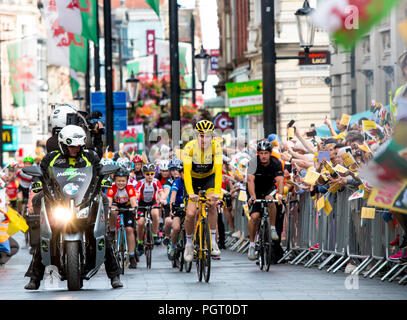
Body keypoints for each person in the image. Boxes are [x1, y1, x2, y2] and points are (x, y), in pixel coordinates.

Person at [24, 125, 123, 290]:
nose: (75, 149)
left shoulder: (90, 157)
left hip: (84, 201)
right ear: (63, 144)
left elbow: (99, 173)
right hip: (58, 203)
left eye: (78, 146)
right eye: (71, 146)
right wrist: (38, 184)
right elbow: (41, 177)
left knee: (102, 235)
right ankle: (35, 278)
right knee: (46, 236)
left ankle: (114, 276)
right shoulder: (51, 158)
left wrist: (104, 179)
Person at [182, 120, 223, 262]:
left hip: (209, 179)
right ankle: (188, 243)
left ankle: (212, 240)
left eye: (207, 135)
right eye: (201, 135)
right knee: (191, 214)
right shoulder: (189, 147)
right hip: (193, 181)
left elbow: (218, 172)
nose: (204, 139)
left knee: (212, 204)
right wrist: (191, 193)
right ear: (196, 136)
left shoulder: (216, 147)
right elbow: (186, 173)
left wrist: (217, 192)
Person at [247, 140, 284, 261]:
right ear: (258, 154)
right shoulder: (253, 162)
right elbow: (250, 181)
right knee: (254, 217)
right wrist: (252, 196)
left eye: (266, 153)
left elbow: (280, 181)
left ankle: (272, 228)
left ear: (270, 153)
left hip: (269, 189)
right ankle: (252, 245)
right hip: (255, 190)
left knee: (270, 200)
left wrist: (280, 194)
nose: (263, 156)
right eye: (261, 153)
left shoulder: (276, 162)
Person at [107, 168, 138, 269]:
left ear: (127, 180)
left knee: (129, 229)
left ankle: (132, 256)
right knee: (113, 211)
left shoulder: (130, 188)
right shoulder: (112, 188)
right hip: (116, 206)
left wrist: (135, 208)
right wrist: (108, 208)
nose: (120, 183)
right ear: (115, 180)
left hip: (127, 207)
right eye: (118, 180)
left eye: (123, 180)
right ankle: (112, 231)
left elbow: (133, 201)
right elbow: (109, 202)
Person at [134, 163, 166, 256]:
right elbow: (137, 194)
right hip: (141, 203)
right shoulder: (140, 182)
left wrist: (163, 199)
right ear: (144, 174)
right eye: (147, 174)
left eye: (152, 174)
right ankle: (139, 243)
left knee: (155, 213)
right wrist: (135, 201)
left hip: (152, 202)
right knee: (140, 223)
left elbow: (161, 192)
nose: (150, 176)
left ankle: (155, 234)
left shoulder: (156, 182)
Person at [167, 162, 185, 261]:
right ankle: (173, 246)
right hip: (178, 207)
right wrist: (172, 209)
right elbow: (172, 196)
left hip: (188, 207)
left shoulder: (191, 181)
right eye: (182, 173)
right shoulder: (177, 182)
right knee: (176, 227)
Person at [162, 159, 182, 246]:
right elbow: (166, 191)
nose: (175, 172)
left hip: (183, 204)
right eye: (173, 170)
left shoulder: (185, 179)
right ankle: (167, 236)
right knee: (168, 222)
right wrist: (163, 199)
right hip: (170, 204)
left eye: (177, 170)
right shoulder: (169, 181)